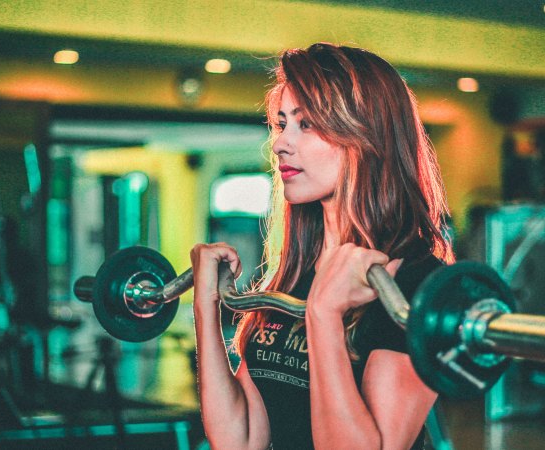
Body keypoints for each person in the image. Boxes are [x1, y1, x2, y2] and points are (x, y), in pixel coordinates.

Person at [190, 42, 455, 450]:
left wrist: (324, 315)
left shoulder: (416, 284)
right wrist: (206, 306)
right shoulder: (297, 272)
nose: (280, 143)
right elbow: (239, 440)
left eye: (306, 124)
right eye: (281, 125)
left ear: (365, 135)